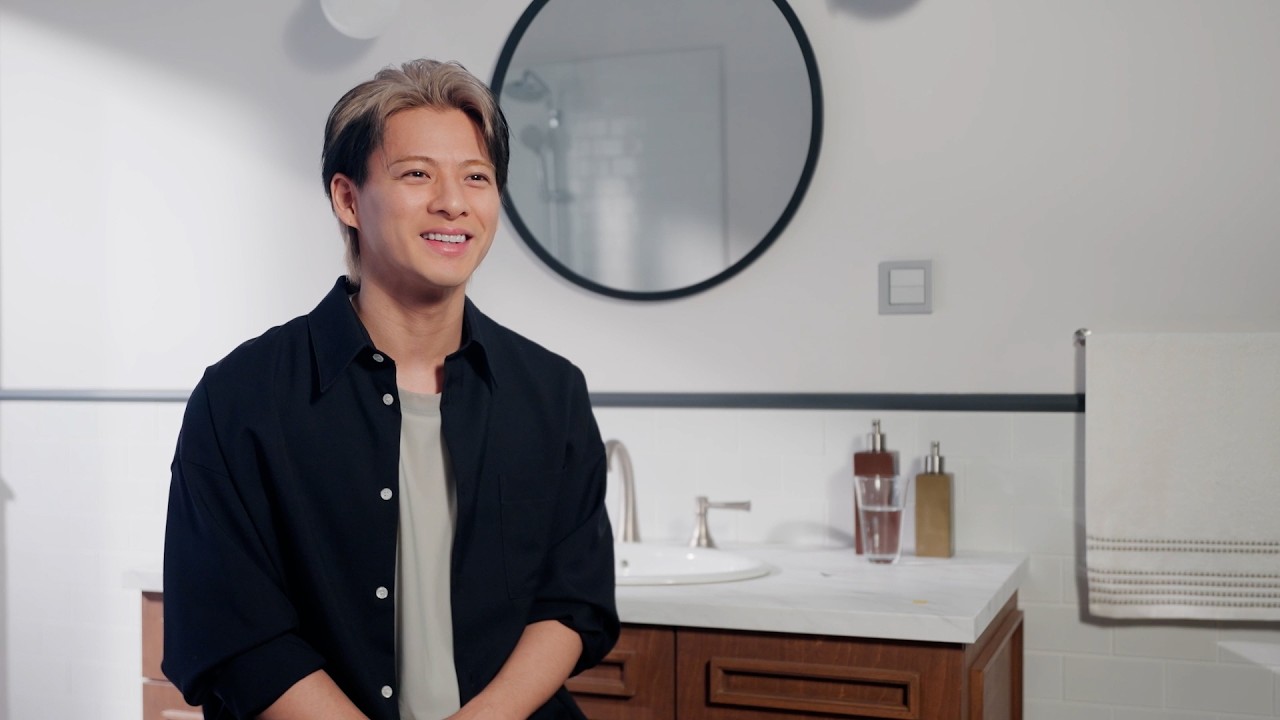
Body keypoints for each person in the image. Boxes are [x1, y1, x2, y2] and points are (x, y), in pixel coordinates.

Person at [162, 59, 618, 720]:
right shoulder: (240, 398)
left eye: (476, 177)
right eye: (416, 174)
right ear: (348, 200)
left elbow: (572, 600)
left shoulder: (552, 393)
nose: (453, 202)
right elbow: (231, 633)